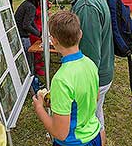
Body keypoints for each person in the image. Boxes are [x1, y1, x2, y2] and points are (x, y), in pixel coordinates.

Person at [51, 0, 114, 146]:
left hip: (96, 75)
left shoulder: (86, 5)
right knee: (95, 118)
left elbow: (91, 53)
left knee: (90, 121)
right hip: (101, 72)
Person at [33, 10, 101, 146]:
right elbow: (95, 97)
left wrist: (39, 108)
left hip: (74, 142)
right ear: (80, 34)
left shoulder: (61, 79)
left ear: (53, 40)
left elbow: (60, 133)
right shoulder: (90, 63)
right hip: (94, 135)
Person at [15, 0, 41, 70]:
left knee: (27, 59)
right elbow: (26, 25)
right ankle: (32, 79)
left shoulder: (27, 4)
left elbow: (31, 20)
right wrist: (38, 34)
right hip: (23, 37)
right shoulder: (31, 7)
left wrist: (38, 32)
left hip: (20, 35)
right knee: (28, 61)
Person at [29, 0, 51, 76]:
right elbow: (34, 15)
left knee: (41, 44)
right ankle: (36, 67)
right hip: (36, 26)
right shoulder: (33, 3)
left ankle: (40, 63)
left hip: (41, 24)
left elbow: (43, 9)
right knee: (37, 46)